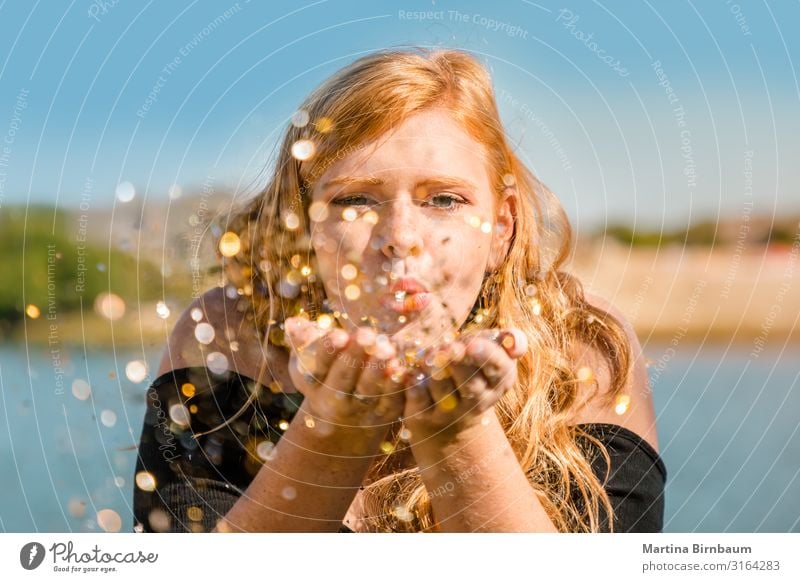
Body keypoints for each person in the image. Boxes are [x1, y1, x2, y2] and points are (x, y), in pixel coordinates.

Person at [133, 48, 665, 533]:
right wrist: (337, 429)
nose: (401, 240)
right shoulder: (231, 339)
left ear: (501, 227)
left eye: (445, 200)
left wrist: (456, 430)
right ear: (304, 227)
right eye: (356, 200)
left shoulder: (578, 346)